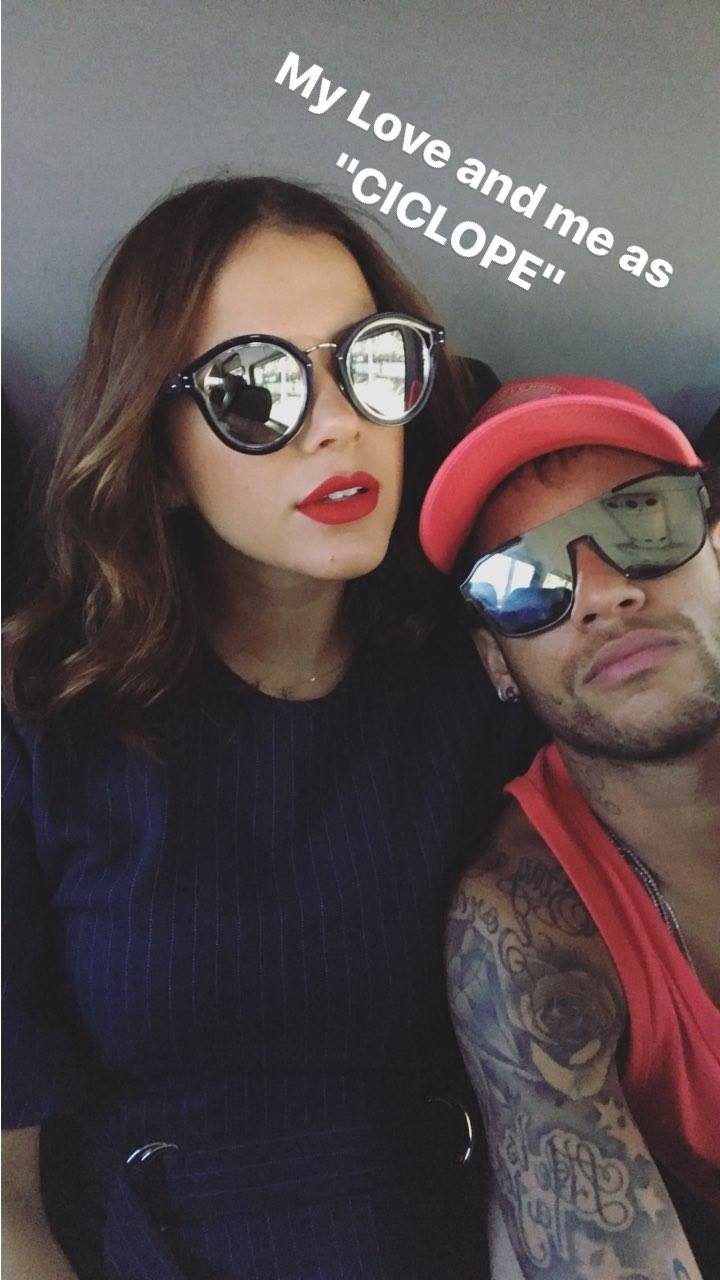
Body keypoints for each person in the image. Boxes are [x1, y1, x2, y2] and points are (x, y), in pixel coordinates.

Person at [1, 176, 539, 1280]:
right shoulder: (40, 721)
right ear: (158, 457)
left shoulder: (485, 687)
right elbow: (6, 1199)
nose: (339, 423)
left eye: (371, 362)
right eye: (255, 387)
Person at [419, 376, 720, 1279]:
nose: (602, 593)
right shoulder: (526, 928)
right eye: (525, 580)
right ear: (496, 662)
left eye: (645, 521)